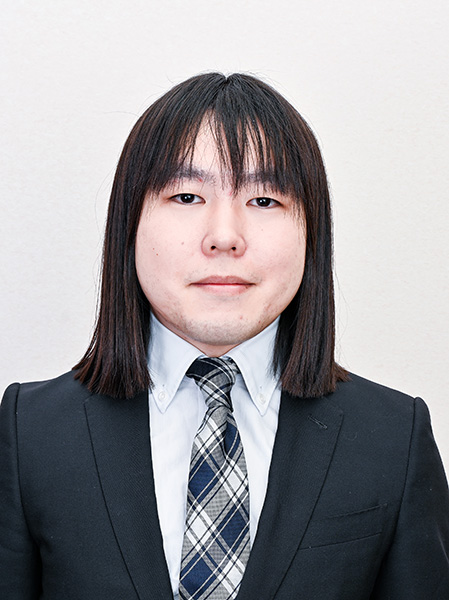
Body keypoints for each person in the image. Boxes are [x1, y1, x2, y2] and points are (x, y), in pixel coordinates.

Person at [1, 72, 448, 600]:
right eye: (187, 195)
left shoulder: (394, 438)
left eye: (264, 200)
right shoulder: (30, 433)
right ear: (130, 223)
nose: (225, 237)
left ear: (313, 232)